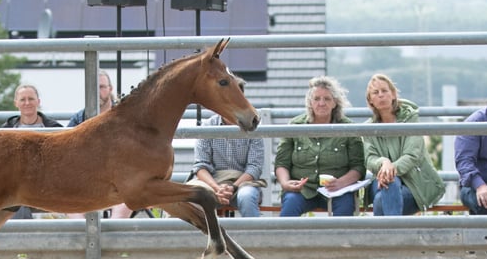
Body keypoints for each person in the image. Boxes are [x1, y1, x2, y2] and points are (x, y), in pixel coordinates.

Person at [274, 76, 365, 216]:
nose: (321, 103)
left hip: (338, 190)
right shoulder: (294, 126)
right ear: (310, 102)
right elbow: (281, 163)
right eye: (316, 99)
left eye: (327, 99)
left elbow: (358, 167)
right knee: (290, 206)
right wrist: (286, 183)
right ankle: (285, 239)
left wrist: (341, 182)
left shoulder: (348, 128)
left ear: (335, 103)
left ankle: (340, 239)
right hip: (302, 190)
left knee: (345, 209)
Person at [363, 73, 445, 215]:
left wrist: (390, 169)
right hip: (380, 182)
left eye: (384, 91)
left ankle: (385, 237)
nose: (381, 95)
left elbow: (412, 155)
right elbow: (370, 159)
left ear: (393, 94)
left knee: (380, 200)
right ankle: (396, 236)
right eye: (375, 93)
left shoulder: (410, 119)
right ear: (370, 100)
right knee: (391, 183)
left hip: (415, 186)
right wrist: (384, 163)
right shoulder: (369, 127)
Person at [65, 71, 135, 218]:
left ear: (110, 89)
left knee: (124, 202)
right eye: (93, 87)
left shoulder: (126, 116)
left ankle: (111, 240)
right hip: (85, 179)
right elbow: (66, 153)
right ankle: (84, 238)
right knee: (69, 202)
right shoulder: (79, 118)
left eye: (102, 87)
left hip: (119, 180)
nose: (97, 92)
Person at [186, 111, 266, 217]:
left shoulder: (253, 126)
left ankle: (255, 233)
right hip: (212, 181)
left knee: (247, 197)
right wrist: (217, 188)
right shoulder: (207, 125)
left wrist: (233, 187)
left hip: (243, 183)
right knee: (189, 197)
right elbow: (201, 166)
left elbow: (254, 167)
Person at [1, 84, 62, 219]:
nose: (27, 103)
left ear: (38, 102)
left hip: (47, 182)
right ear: (16, 103)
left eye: (31, 99)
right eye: (22, 99)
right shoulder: (6, 130)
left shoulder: (54, 128)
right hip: (16, 183)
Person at [454, 83, 487, 215]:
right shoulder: (475, 123)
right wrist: (480, 186)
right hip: (478, 183)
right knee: (484, 201)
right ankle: (486, 236)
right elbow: (464, 161)